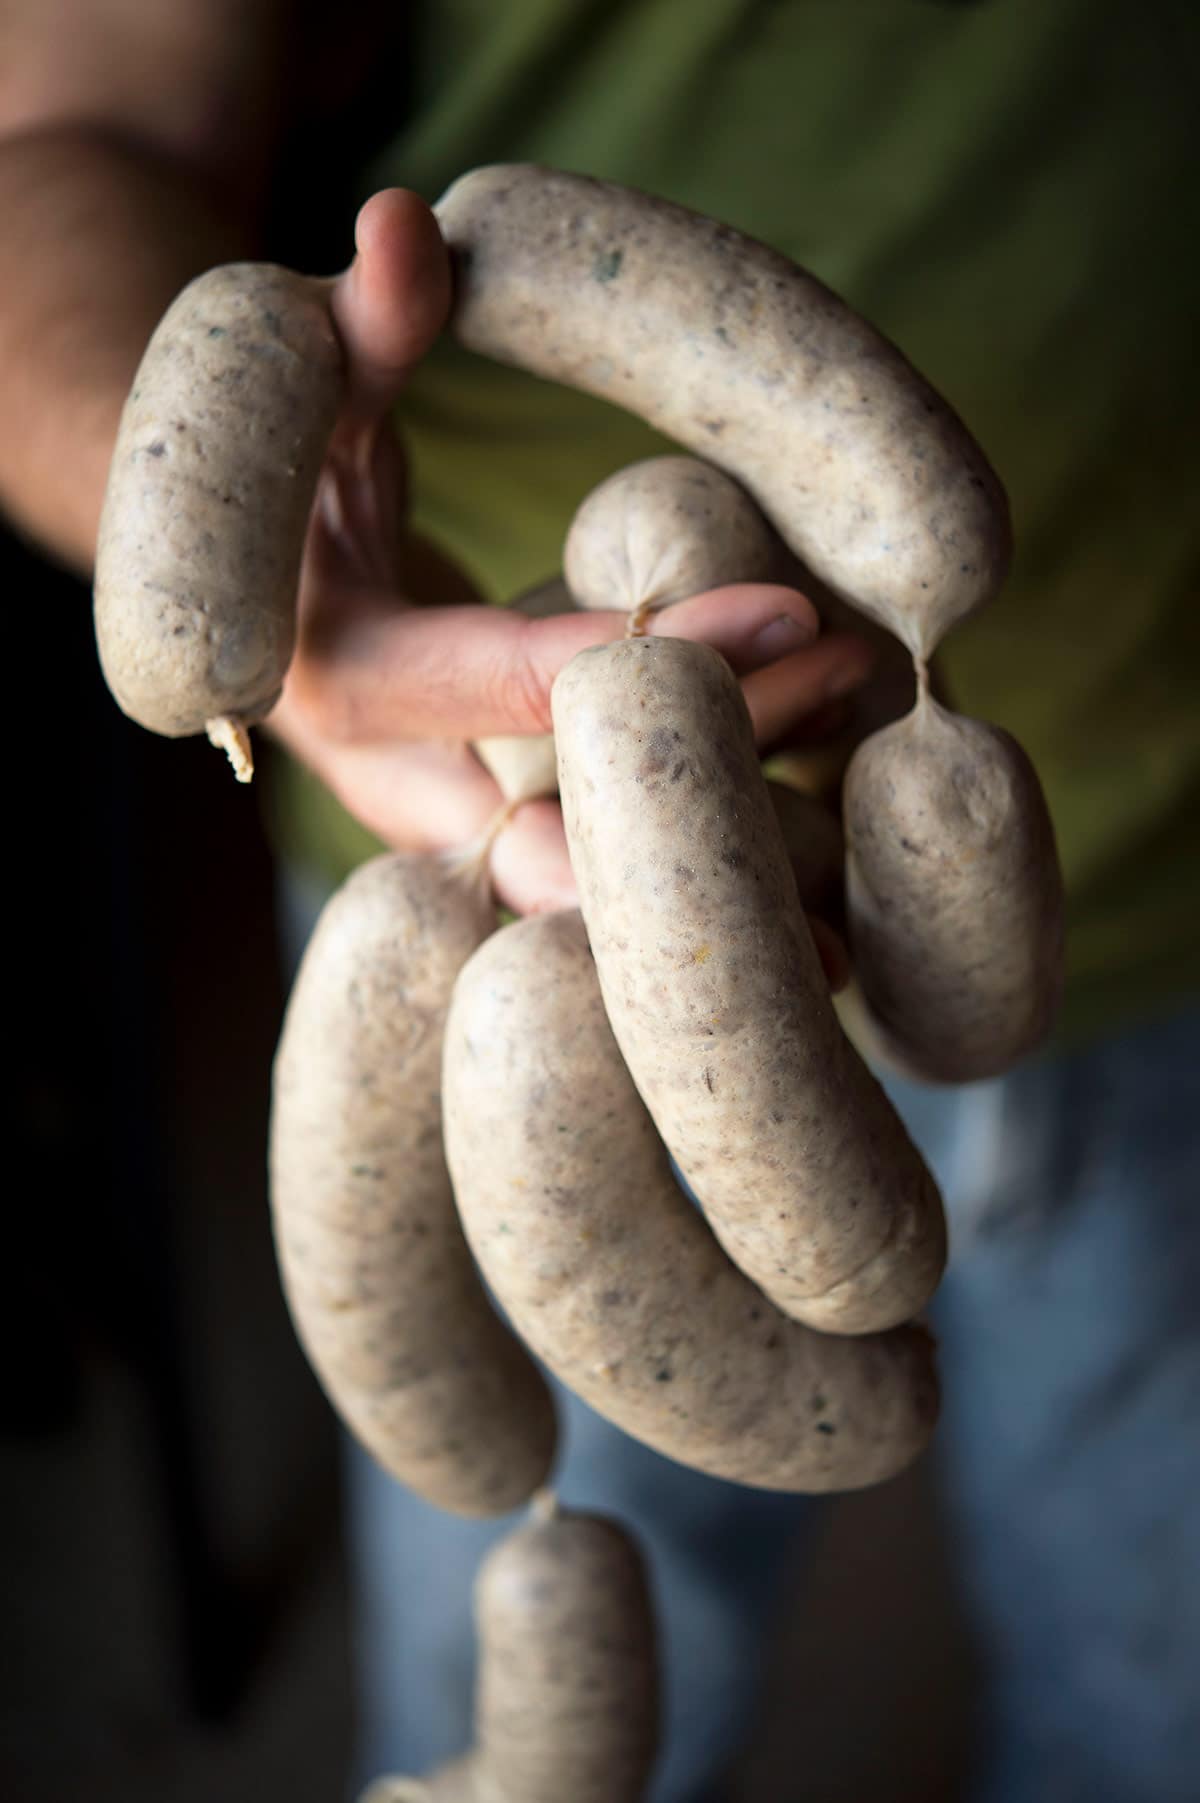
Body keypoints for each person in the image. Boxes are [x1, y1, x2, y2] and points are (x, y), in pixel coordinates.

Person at [2, 4, 1197, 1800]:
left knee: (1156, 1662)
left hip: (1163, 870)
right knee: (542, 1609)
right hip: (483, 874)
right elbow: (69, 141)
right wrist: (297, 626)